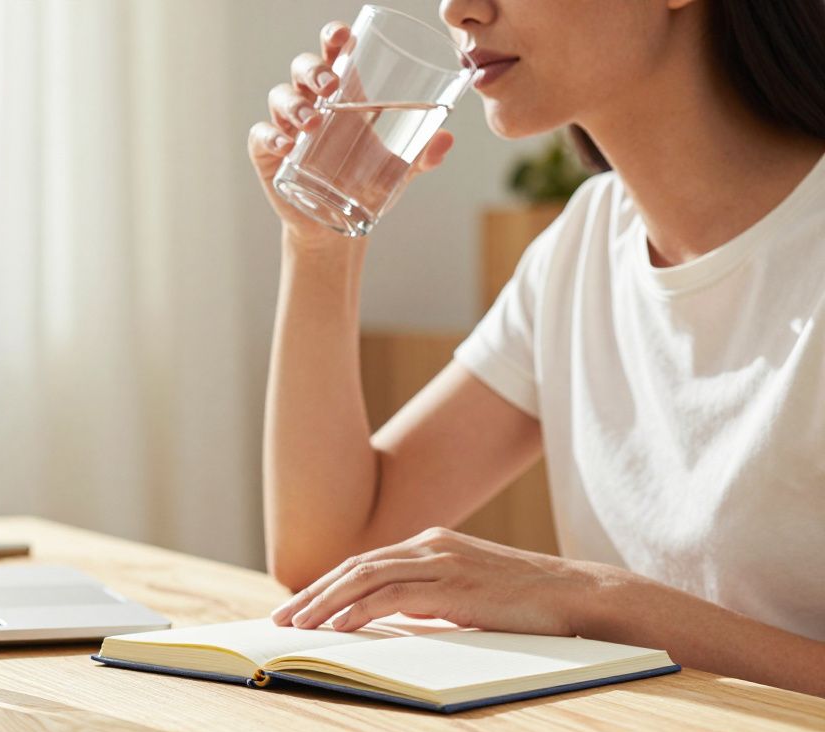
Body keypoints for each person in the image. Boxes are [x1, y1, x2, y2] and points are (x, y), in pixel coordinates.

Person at [247, 0, 825, 696]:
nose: (456, 10)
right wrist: (319, 242)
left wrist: (595, 599)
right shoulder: (585, 246)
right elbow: (329, 552)